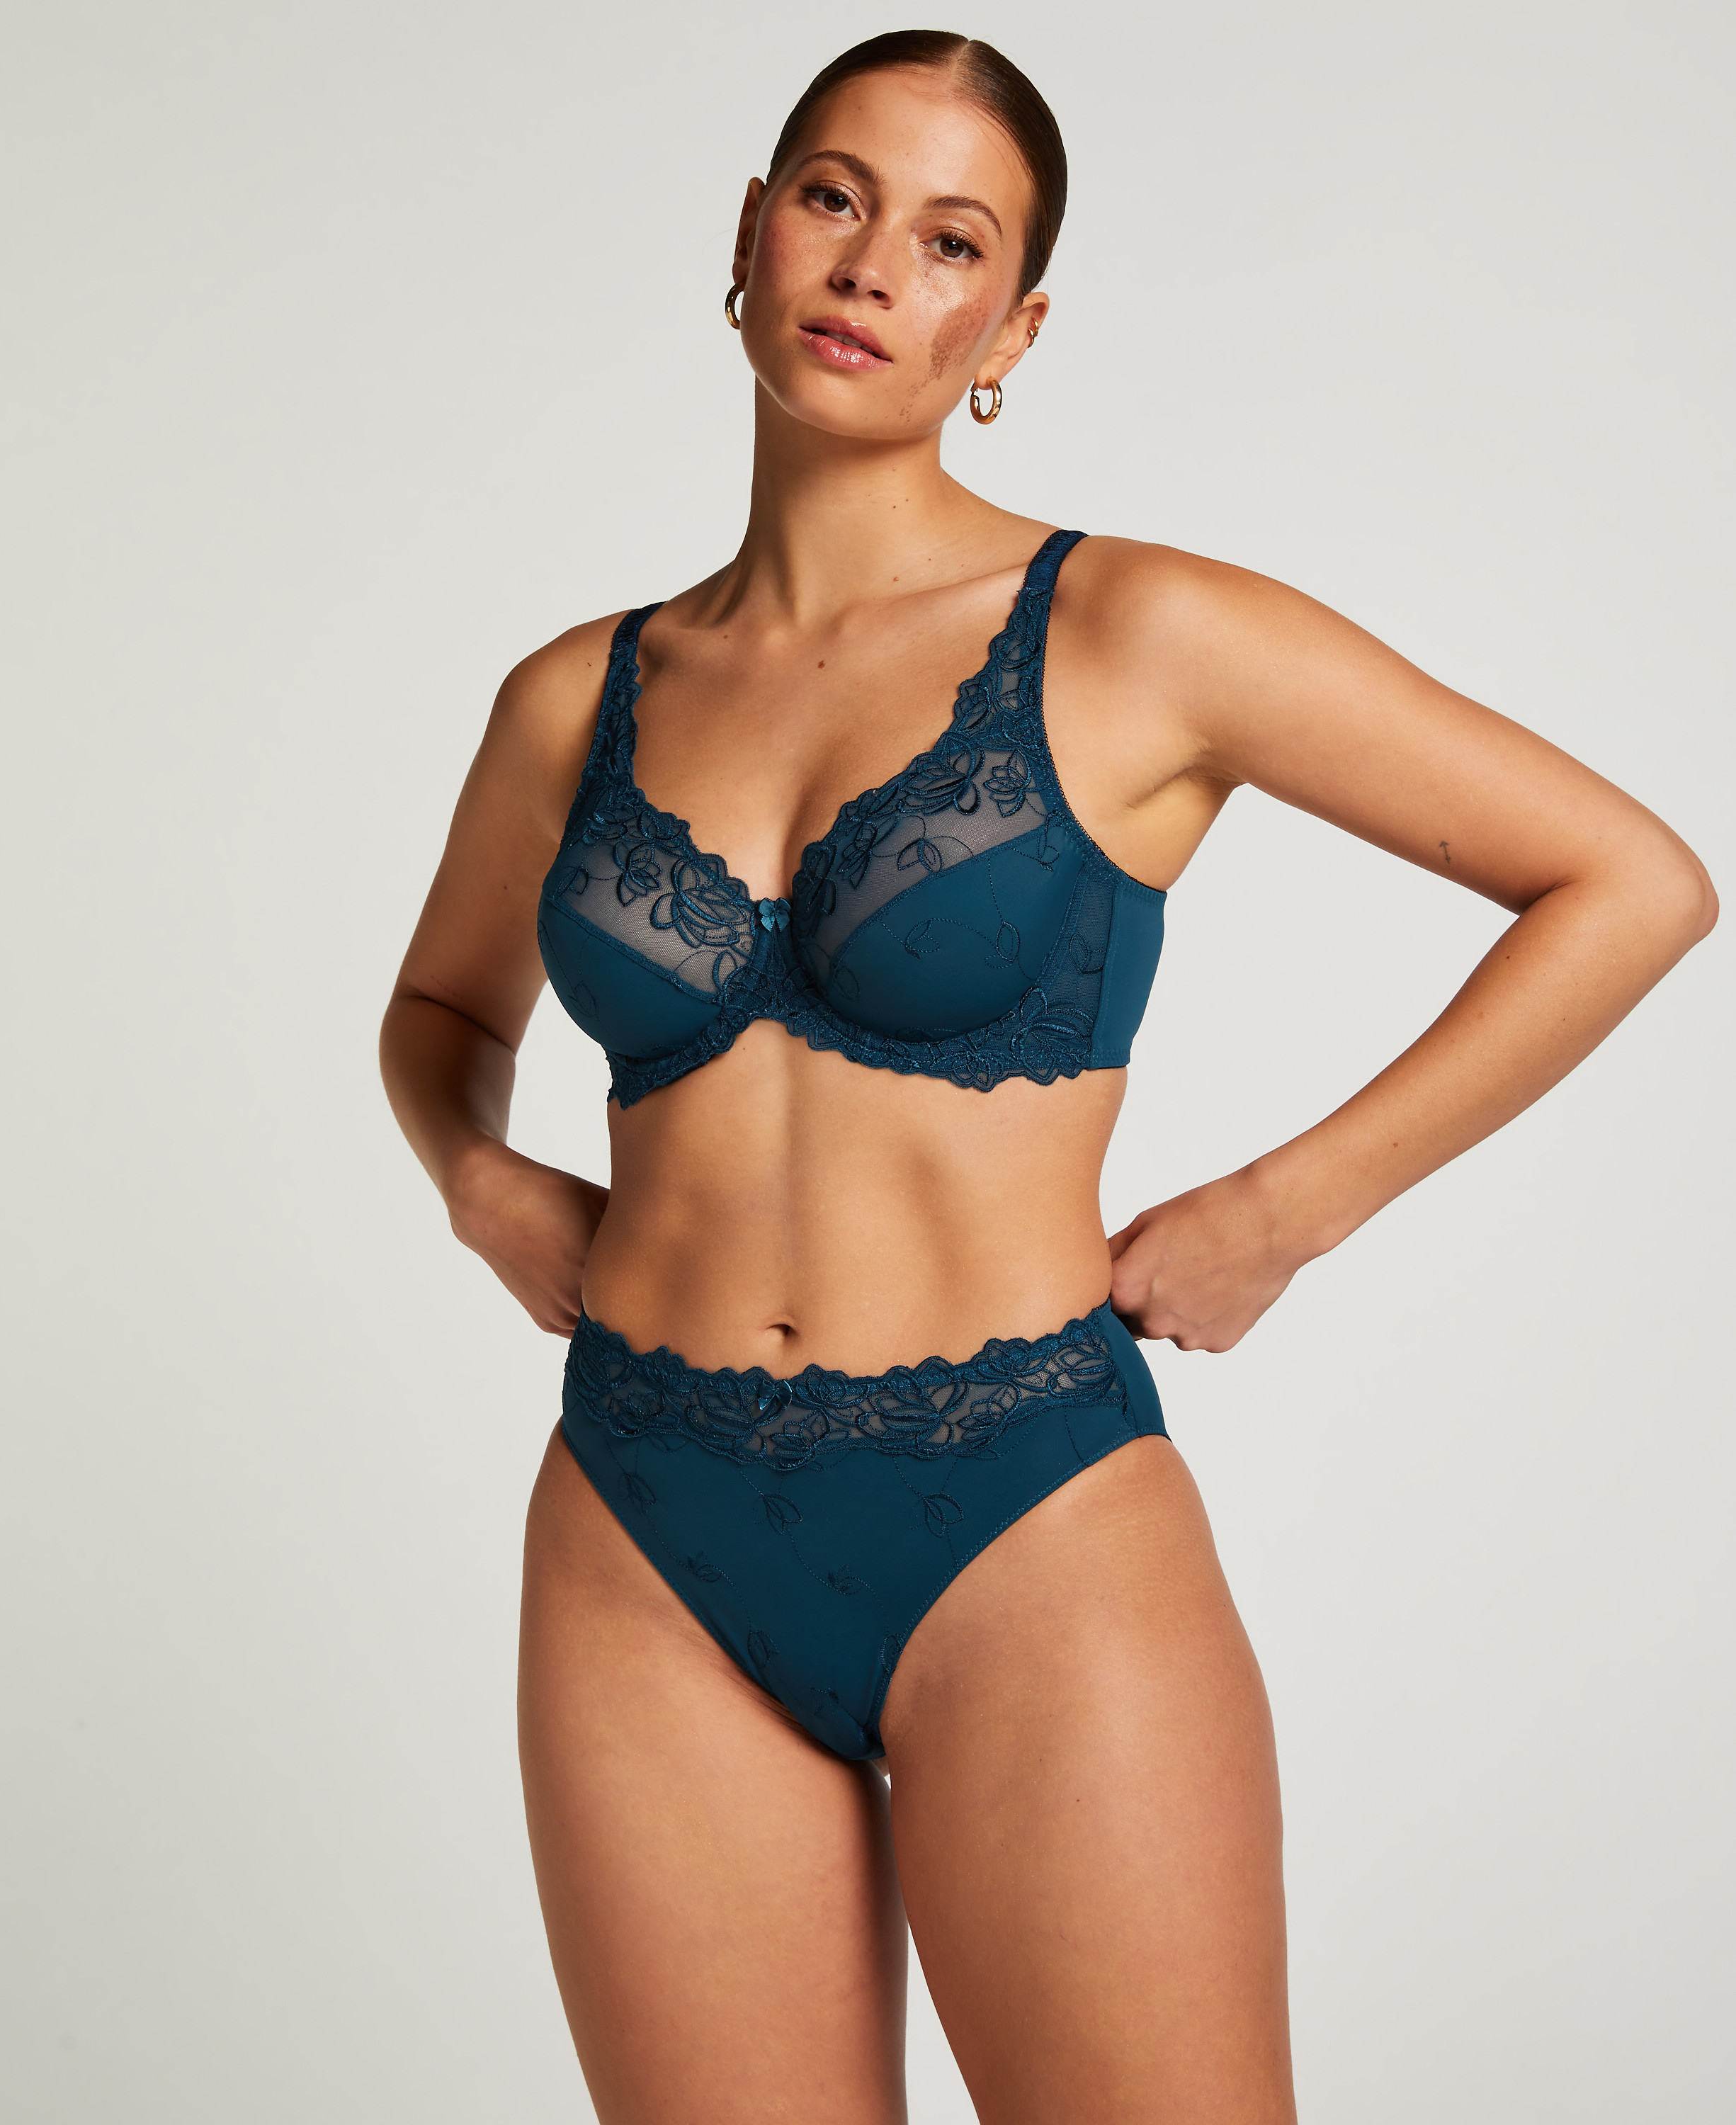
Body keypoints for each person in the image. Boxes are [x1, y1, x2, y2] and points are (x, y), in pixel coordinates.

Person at [378, 29, 1715, 2123]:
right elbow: (442, 1019)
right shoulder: (578, 696)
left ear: (1010, 329)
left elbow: (1630, 883)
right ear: (750, 231)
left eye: (950, 241)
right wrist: (473, 1172)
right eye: (833, 198)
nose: (868, 267)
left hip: (1023, 1510)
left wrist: (1284, 1211)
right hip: (642, 1518)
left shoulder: (1135, 633)